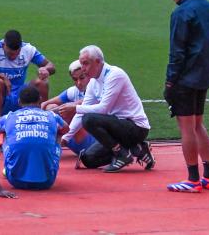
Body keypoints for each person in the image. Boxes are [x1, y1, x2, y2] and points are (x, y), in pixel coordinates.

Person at [162, 0, 209, 193]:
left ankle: (193, 179)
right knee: (198, 124)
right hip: (205, 74)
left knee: (186, 127)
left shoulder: (181, 13)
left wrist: (170, 82)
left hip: (185, 77)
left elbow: (177, 51)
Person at [60, 45, 154, 173]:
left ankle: (122, 153)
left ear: (98, 62)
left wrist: (75, 107)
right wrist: (66, 137)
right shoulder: (93, 82)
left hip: (136, 127)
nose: (83, 68)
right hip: (116, 129)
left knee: (89, 119)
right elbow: (83, 110)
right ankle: (136, 148)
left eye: (86, 64)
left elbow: (103, 108)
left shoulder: (115, 75)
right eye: (82, 64)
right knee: (88, 159)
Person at [0, 30, 56, 146]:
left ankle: (42, 123)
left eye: (16, 54)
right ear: (4, 45)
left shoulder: (28, 49)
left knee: (42, 83)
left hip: (20, 96)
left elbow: (51, 65)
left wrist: (46, 70)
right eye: (10, 54)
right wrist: (2, 76)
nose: (13, 57)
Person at [0, 86, 67, 190]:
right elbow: (66, 128)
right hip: (48, 181)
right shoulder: (52, 115)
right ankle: (48, 167)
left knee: (4, 134)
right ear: (40, 99)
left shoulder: (9, 116)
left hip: (15, 180)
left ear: (19, 102)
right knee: (58, 133)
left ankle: (10, 167)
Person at [41, 60, 95, 155]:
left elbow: (82, 102)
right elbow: (45, 104)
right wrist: (42, 113)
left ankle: (50, 143)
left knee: (70, 111)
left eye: (82, 78)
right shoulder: (73, 91)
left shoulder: (98, 91)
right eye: (75, 79)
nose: (78, 83)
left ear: (89, 75)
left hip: (94, 143)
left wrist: (50, 115)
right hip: (73, 138)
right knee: (51, 107)